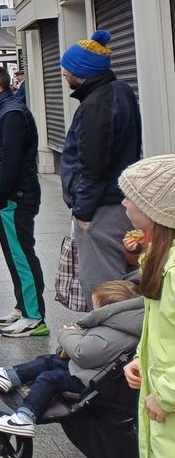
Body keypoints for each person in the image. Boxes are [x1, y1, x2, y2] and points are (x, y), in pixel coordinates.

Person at [0, 279, 142, 436]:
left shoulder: (113, 333)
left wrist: (67, 333)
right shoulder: (118, 325)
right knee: (47, 360)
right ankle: (10, 376)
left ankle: (26, 416)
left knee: (49, 378)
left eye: (95, 306)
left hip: (88, 379)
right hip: (89, 370)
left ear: (109, 309)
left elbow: (82, 353)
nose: (93, 310)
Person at [59, 30, 143, 297]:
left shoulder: (95, 105)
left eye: (67, 69)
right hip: (118, 200)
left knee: (103, 286)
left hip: (101, 208)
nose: (64, 74)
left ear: (80, 71)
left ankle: (109, 335)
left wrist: (83, 212)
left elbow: (93, 166)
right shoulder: (120, 91)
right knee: (123, 278)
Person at [0, 65, 46, 337]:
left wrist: (0, 197)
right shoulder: (4, 112)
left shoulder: (11, 114)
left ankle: (34, 316)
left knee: (21, 256)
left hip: (15, 198)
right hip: (11, 198)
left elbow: (12, 162)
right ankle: (23, 306)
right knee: (16, 257)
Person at [118, 154, 175, 458]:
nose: (124, 201)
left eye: (134, 197)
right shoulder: (160, 259)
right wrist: (141, 357)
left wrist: (167, 391)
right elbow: (161, 329)